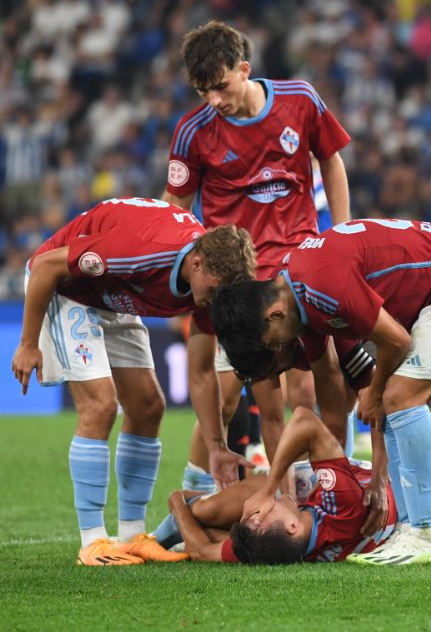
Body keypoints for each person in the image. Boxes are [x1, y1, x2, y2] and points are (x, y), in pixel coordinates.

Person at [211, 217, 431, 565]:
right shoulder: (302, 300)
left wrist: (373, 395)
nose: (280, 356)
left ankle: (425, 535)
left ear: (274, 314)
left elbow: (397, 342)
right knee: (394, 399)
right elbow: (330, 399)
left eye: (272, 345)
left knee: (398, 397)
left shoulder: (321, 286)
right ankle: (410, 529)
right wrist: (332, 477)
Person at [10, 197, 256, 566]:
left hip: (111, 296)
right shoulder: (141, 252)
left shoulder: (210, 292)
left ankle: (132, 535)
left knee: (148, 406)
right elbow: (46, 265)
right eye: (216, 289)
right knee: (101, 404)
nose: (216, 301)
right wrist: (28, 344)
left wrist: (217, 446)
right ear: (197, 263)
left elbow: (203, 373)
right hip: (65, 288)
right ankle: (93, 541)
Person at [161, 20, 353, 492]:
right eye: (203, 91)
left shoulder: (301, 100)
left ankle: (329, 481)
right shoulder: (193, 132)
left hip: (300, 269)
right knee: (236, 399)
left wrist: (343, 233)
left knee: (313, 383)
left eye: (221, 87)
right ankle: (203, 489)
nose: (214, 100)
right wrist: (185, 283)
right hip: (238, 282)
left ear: (244, 69)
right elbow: (173, 210)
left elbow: (331, 159)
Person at [164, 406, 394, 564]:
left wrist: (176, 499)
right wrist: (268, 490)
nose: (253, 512)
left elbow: (202, 551)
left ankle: (159, 534)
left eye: (250, 518)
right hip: (346, 486)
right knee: (206, 512)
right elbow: (304, 420)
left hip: (307, 501)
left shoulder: (268, 548)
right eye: (258, 516)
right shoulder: (343, 509)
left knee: (200, 513)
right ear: (292, 527)